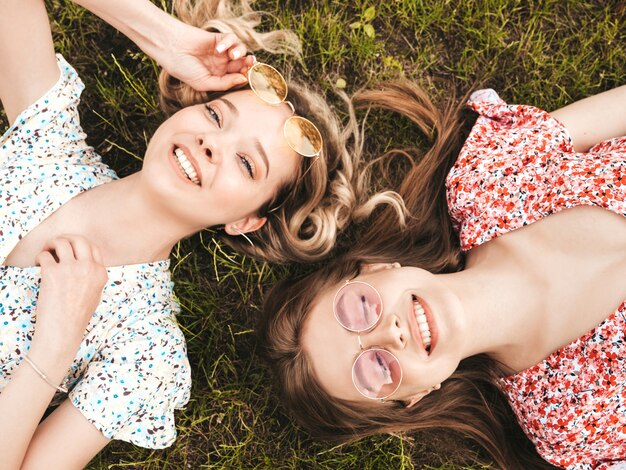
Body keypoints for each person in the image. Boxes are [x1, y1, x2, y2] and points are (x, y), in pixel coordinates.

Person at [0, 0, 401, 467]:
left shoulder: (142, 352)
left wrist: (53, 348)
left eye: (247, 163)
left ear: (247, 220)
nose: (212, 144)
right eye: (216, 117)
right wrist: (164, 37)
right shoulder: (48, 143)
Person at [261, 80, 626, 469]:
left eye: (359, 307)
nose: (390, 334)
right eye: (376, 368)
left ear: (376, 268)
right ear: (416, 397)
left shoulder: (485, 182)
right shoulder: (568, 423)